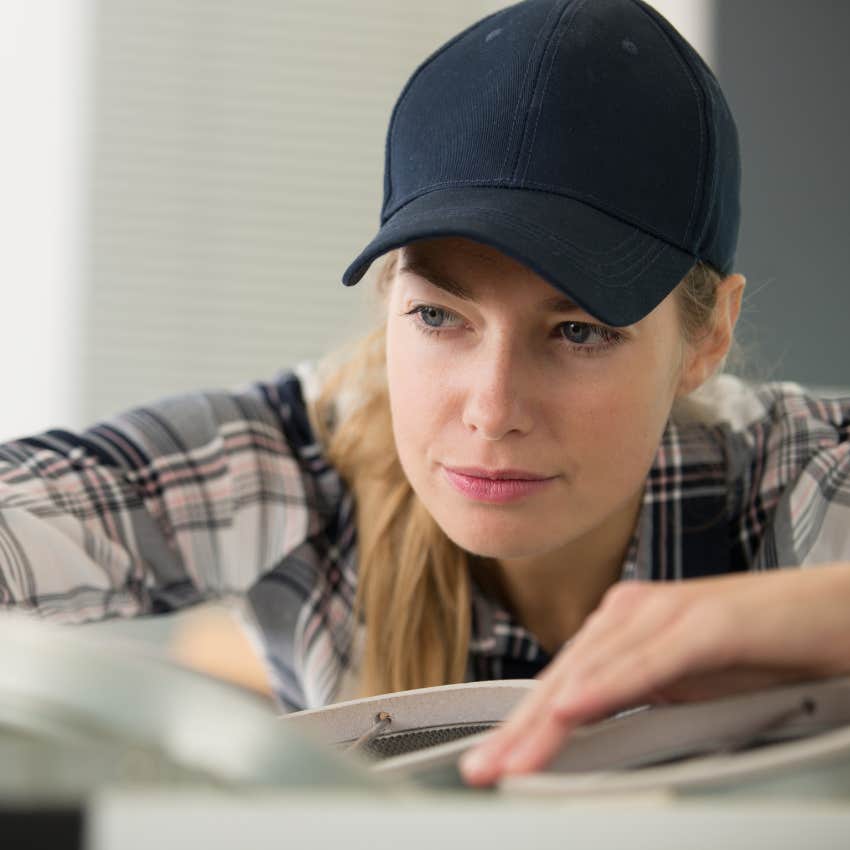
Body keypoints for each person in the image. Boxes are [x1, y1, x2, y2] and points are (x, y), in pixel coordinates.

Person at [1, 0, 848, 790]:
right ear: (387, 303)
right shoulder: (293, 463)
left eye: (579, 331)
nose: (490, 408)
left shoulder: (793, 472)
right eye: (439, 315)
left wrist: (816, 614)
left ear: (708, 337)